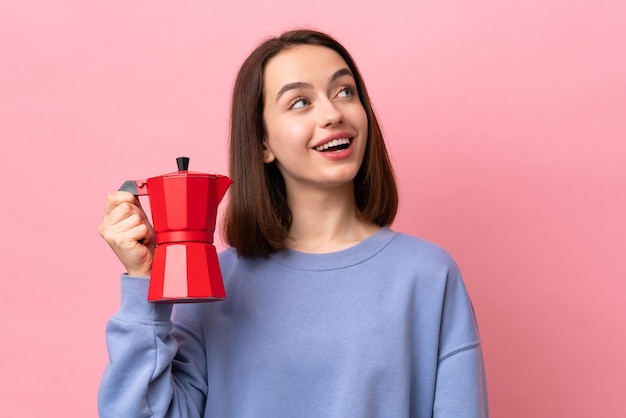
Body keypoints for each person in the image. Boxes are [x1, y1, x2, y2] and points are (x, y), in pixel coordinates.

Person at [98, 29, 489, 417]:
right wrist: (144, 287)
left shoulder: (429, 276)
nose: (333, 113)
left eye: (345, 91)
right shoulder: (216, 284)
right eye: (300, 102)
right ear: (263, 143)